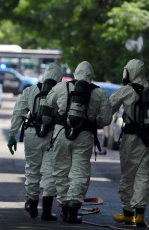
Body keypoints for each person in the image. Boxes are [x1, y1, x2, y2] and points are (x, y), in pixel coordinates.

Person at [46, 61, 112, 224]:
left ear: (76, 73)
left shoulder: (62, 87)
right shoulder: (99, 93)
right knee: (79, 172)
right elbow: (106, 119)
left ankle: (64, 206)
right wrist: (91, 121)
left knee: (61, 170)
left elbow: (49, 101)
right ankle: (73, 210)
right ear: (91, 75)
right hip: (84, 136)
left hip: (61, 132)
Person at [110, 59, 149, 227]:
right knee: (143, 176)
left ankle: (127, 213)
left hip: (131, 140)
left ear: (129, 72)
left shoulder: (125, 91)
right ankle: (140, 215)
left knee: (128, 176)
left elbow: (107, 110)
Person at [7, 63, 62, 221]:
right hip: (53, 135)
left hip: (32, 134)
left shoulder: (30, 90)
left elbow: (18, 112)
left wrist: (12, 135)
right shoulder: (62, 92)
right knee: (50, 173)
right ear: (59, 78)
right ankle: (46, 212)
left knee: (32, 170)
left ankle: (32, 207)